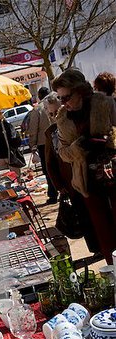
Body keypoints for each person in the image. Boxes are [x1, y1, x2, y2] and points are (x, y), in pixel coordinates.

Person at [52, 68, 116, 264]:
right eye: (60, 98)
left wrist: (109, 139)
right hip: (87, 182)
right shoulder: (63, 118)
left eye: (67, 97)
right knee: (104, 234)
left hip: (113, 174)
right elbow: (62, 153)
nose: (64, 103)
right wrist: (78, 147)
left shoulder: (104, 104)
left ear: (80, 90)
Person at [43, 93, 99, 253]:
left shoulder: (75, 123)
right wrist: (59, 186)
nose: (54, 116)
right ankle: (95, 247)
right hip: (70, 183)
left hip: (88, 177)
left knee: (96, 213)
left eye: (56, 112)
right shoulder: (50, 133)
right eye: (51, 113)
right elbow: (50, 164)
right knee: (83, 216)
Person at [28, 86, 58, 204]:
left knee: (49, 169)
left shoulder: (37, 110)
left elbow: (33, 129)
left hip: (43, 143)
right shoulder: (57, 102)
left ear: (39, 96)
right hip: (58, 139)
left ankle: (53, 194)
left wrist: (32, 144)